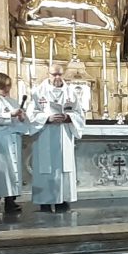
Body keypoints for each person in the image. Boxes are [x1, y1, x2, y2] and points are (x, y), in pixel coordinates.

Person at [27, 63, 85, 212]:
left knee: (64, 167)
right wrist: (47, 118)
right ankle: (44, 202)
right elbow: (31, 114)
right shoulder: (38, 92)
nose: (57, 77)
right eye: (54, 74)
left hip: (64, 135)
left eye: (60, 74)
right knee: (45, 168)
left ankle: (63, 201)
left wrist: (68, 117)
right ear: (48, 74)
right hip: (45, 135)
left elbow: (80, 113)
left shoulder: (71, 92)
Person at [0, 72, 27, 214]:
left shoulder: (13, 101)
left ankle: (10, 200)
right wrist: (10, 115)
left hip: (12, 138)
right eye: (5, 86)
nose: (7, 89)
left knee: (12, 171)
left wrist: (21, 117)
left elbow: (22, 123)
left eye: (8, 86)